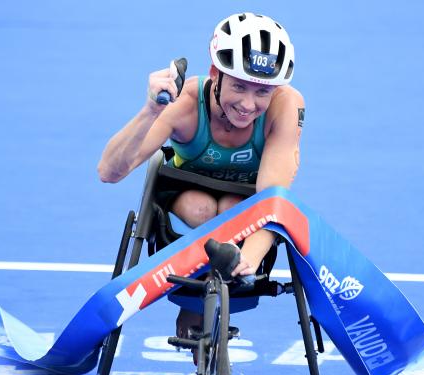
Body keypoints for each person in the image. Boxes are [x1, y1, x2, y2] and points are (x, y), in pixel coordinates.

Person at [97, 12, 304, 339]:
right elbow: (109, 171)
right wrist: (152, 109)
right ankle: (194, 310)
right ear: (214, 74)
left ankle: (208, 314)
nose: (248, 105)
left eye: (262, 92)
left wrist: (245, 263)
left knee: (232, 206)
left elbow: (271, 199)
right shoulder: (187, 103)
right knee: (202, 208)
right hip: (184, 198)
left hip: (247, 208)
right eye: (238, 86)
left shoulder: (287, 106)